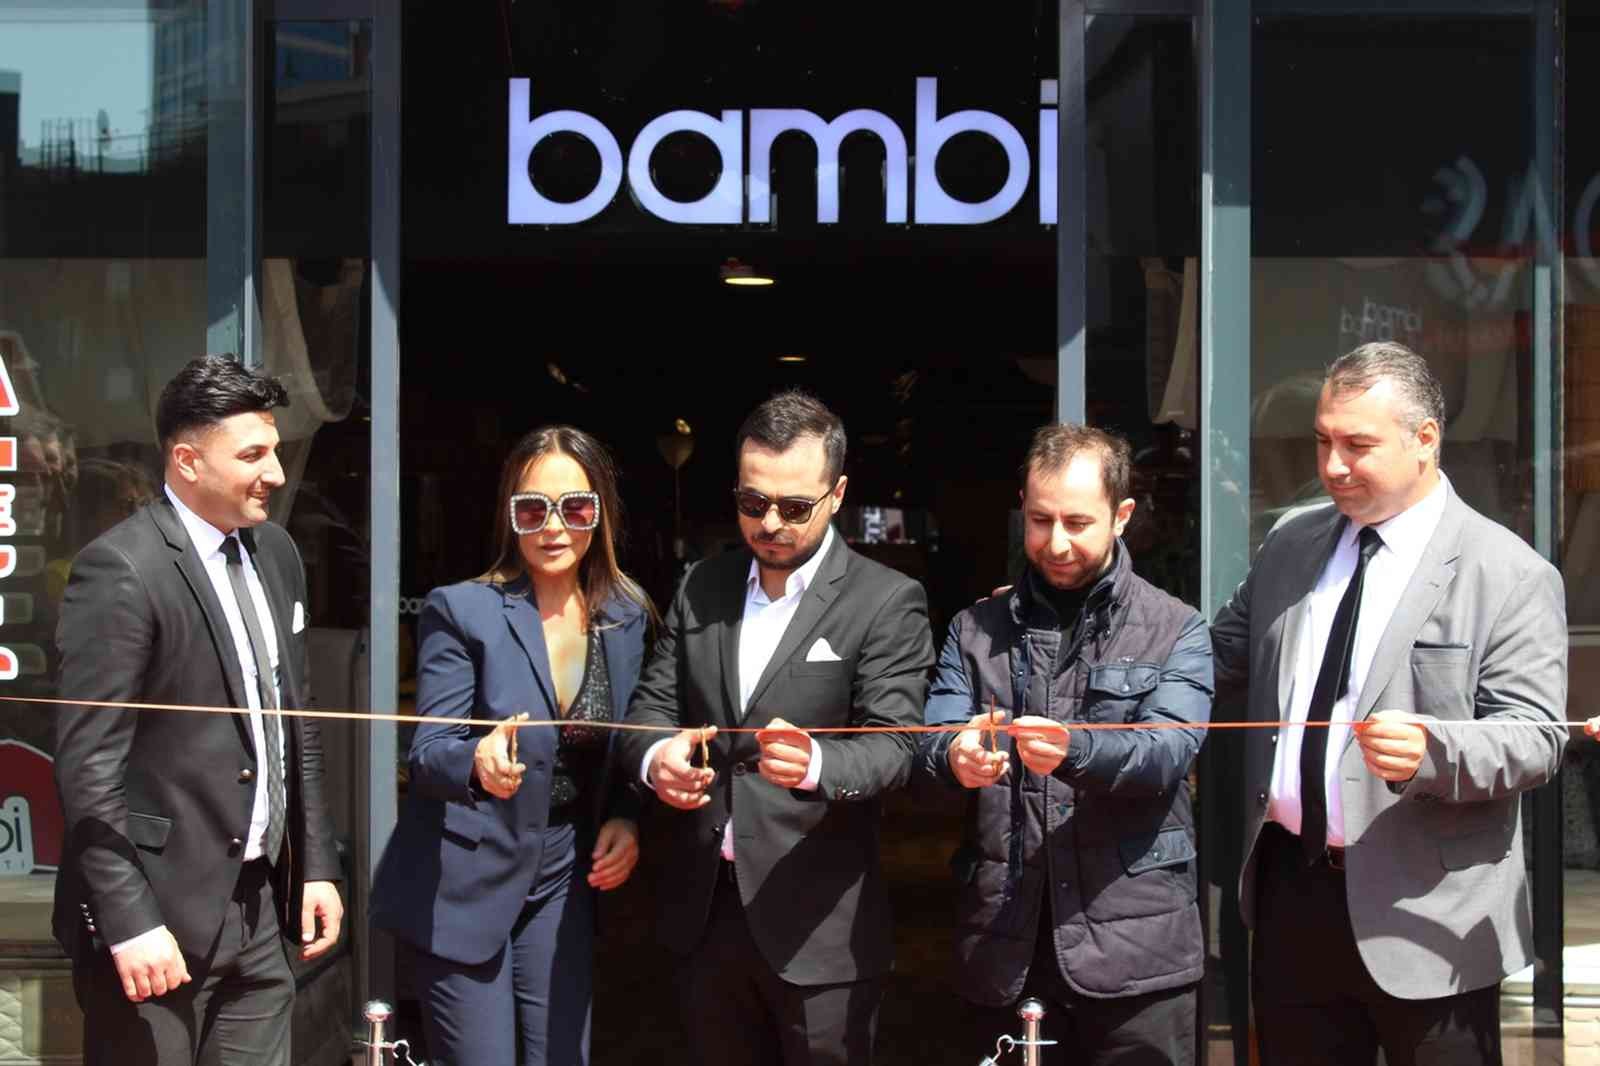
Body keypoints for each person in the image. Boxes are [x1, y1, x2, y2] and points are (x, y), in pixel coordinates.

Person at [1210, 341, 1568, 1065]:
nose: (1333, 466)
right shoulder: (1291, 542)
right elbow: (1213, 658)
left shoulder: (1509, 573)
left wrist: (1434, 750)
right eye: (1323, 442)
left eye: (1358, 445)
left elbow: (1536, 736)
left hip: (1430, 914)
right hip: (1291, 896)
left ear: (1424, 439)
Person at [622, 389, 934, 1066]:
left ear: (837, 494)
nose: (770, 522)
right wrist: (657, 759)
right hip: (704, 917)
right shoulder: (701, 585)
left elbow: (896, 745)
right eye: (752, 501)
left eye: (794, 507)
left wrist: (818, 764)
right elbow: (649, 707)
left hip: (819, 926)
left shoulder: (886, 600)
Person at [52, 355, 344, 1066]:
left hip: (262, 911)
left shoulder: (277, 553)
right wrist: (129, 922)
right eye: (252, 455)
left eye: (274, 450)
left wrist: (316, 864)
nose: (276, 473)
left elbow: (294, 722)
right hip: (154, 925)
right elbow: (89, 767)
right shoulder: (121, 569)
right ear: (186, 461)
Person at [916, 423, 1213, 1064]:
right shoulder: (975, 629)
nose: (1056, 543)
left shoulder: (1176, 628)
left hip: (1138, 954)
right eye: (1040, 520)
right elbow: (932, 738)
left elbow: (1168, 752)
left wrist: (1075, 750)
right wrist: (955, 756)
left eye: (1078, 523)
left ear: (1121, 515)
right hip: (1005, 944)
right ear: (1022, 505)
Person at [371, 426, 651, 1066]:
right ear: (509, 514)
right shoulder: (462, 609)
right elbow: (429, 750)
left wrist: (627, 815)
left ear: (600, 513)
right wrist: (476, 760)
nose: (553, 527)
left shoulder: (626, 617)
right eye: (532, 509)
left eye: (574, 508)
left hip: (564, 871)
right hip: (464, 874)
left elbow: (631, 744)